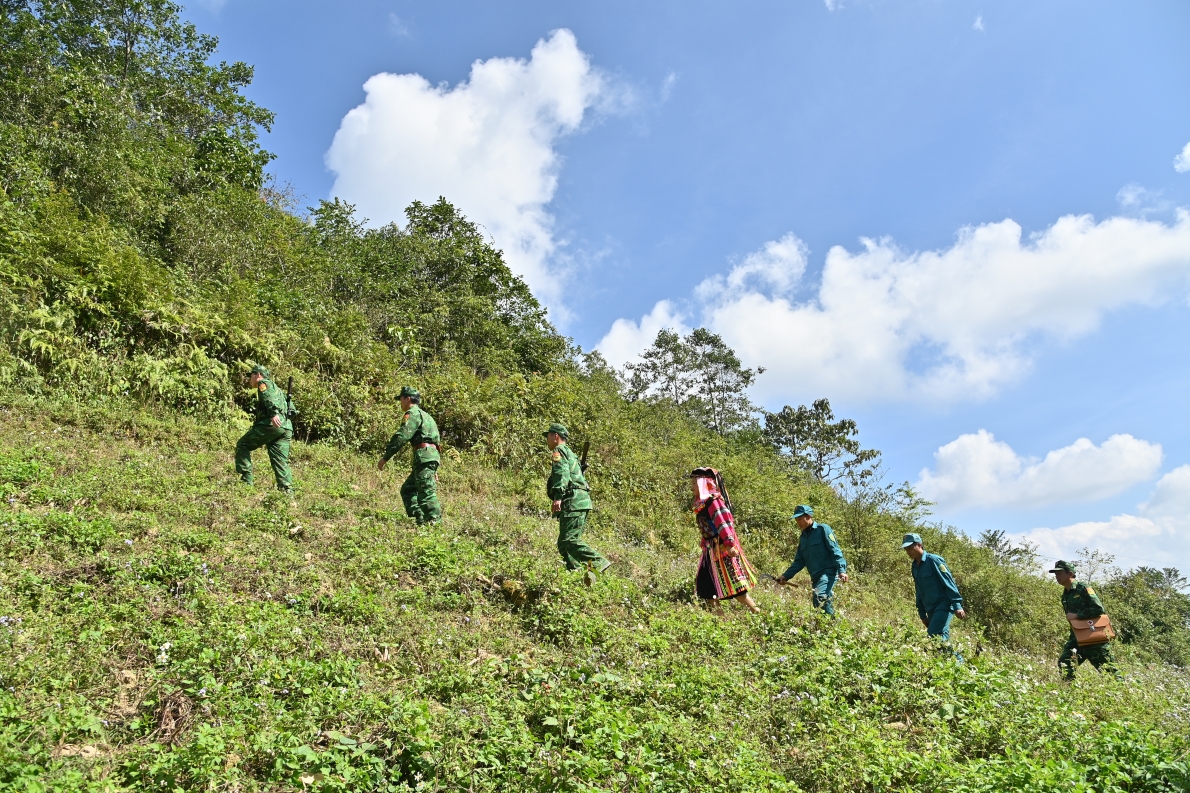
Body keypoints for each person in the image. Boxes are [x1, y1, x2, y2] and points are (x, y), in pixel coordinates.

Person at [690, 468, 760, 614]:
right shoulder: (703, 504)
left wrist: (729, 544)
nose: (692, 487)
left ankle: (758, 613)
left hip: (722, 549)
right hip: (710, 550)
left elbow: (723, 523)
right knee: (707, 586)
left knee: (736, 587)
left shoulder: (713, 502)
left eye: (695, 484)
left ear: (703, 484)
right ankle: (721, 622)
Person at [544, 423, 610, 574]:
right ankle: (577, 572)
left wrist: (558, 497)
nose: (547, 439)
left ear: (555, 436)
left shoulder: (558, 451)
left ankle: (598, 562)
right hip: (581, 500)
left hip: (573, 500)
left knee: (569, 541)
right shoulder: (571, 454)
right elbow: (576, 475)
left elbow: (562, 473)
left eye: (548, 435)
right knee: (564, 543)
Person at [377, 386, 442, 524]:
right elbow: (436, 442)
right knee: (408, 489)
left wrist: (385, 457)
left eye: (401, 399)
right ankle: (420, 517)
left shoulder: (413, 414)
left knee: (426, 492)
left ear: (407, 398)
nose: (400, 402)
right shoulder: (427, 416)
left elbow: (402, 436)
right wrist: (434, 467)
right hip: (430, 457)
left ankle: (434, 522)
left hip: (424, 457)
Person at [1050, 560, 1118, 680]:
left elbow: (1098, 609)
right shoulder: (1065, 594)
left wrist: (1077, 615)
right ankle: (1069, 692)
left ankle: (1122, 694)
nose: (1057, 576)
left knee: (1110, 672)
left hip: (1094, 638)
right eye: (1055, 574)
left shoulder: (1083, 588)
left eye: (1059, 573)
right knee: (1065, 663)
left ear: (1070, 574)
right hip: (1077, 637)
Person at [776, 505, 848, 615]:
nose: (798, 522)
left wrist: (841, 570)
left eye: (800, 519)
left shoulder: (823, 529)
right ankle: (830, 627)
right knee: (819, 604)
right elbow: (799, 561)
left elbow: (835, 550)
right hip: (815, 577)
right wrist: (785, 576)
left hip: (828, 573)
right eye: (796, 520)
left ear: (809, 516)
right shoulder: (803, 538)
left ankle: (830, 627)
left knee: (819, 596)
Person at [235, 365, 294, 496]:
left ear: (258, 375)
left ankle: (245, 485)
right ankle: (287, 492)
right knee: (280, 460)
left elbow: (268, 398)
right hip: (286, 428)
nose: (250, 379)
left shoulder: (264, 384)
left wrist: (273, 414)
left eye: (251, 376)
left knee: (242, 445)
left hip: (271, 425)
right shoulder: (278, 389)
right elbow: (293, 409)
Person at [902, 534, 967, 653]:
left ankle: (959, 662)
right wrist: (922, 614)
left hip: (944, 605)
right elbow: (919, 591)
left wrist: (957, 605)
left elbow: (949, 582)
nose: (908, 551)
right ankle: (956, 666)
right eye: (906, 549)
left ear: (919, 545)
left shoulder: (934, 560)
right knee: (942, 640)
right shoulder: (914, 567)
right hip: (930, 609)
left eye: (910, 548)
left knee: (933, 636)